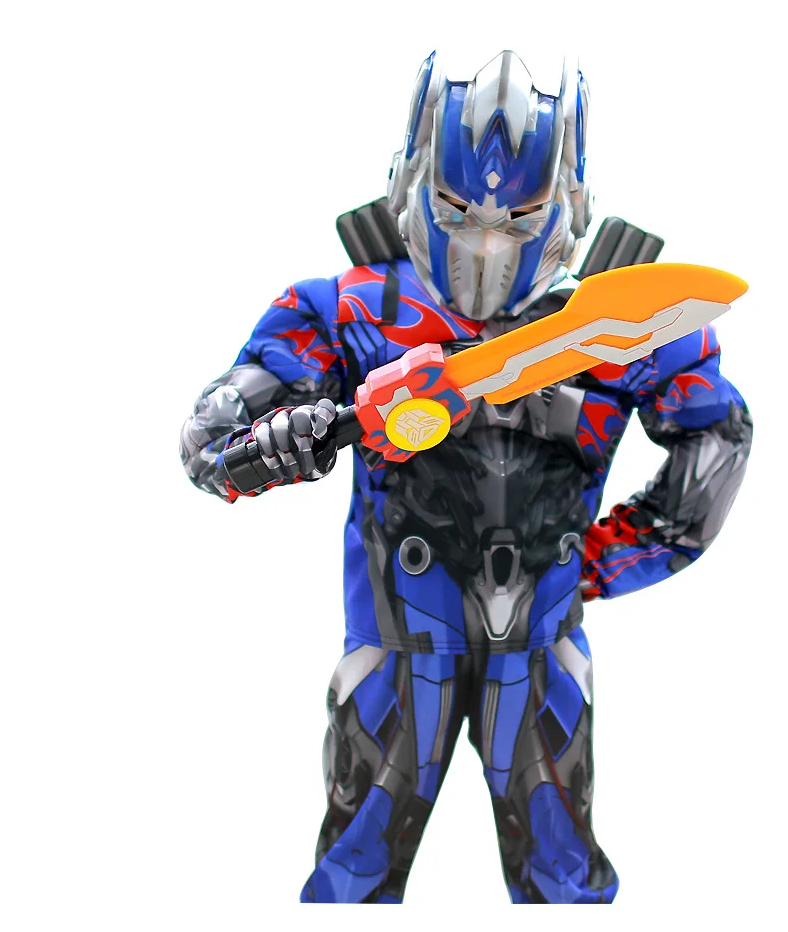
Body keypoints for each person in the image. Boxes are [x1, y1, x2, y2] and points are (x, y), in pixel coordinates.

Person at [179, 49, 752, 903]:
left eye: (519, 219)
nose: (487, 243)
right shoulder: (352, 310)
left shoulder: (625, 321)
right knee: (354, 878)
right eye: (457, 211)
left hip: (542, 645)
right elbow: (210, 443)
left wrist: (598, 564)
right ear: (415, 186)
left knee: (562, 877)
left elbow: (717, 440)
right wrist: (285, 439)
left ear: (566, 205)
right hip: (395, 643)